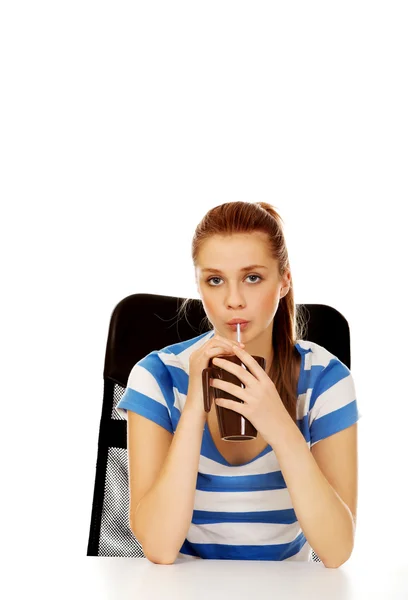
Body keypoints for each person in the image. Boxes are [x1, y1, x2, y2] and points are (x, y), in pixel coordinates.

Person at [116, 201, 361, 566]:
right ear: (199, 284)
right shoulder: (158, 377)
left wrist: (280, 424)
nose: (233, 300)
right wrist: (196, 405)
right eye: (215, 280)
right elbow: (160, 547)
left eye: (252, 277)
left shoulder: (326, 379)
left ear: (284, 281)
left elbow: (337, 550)